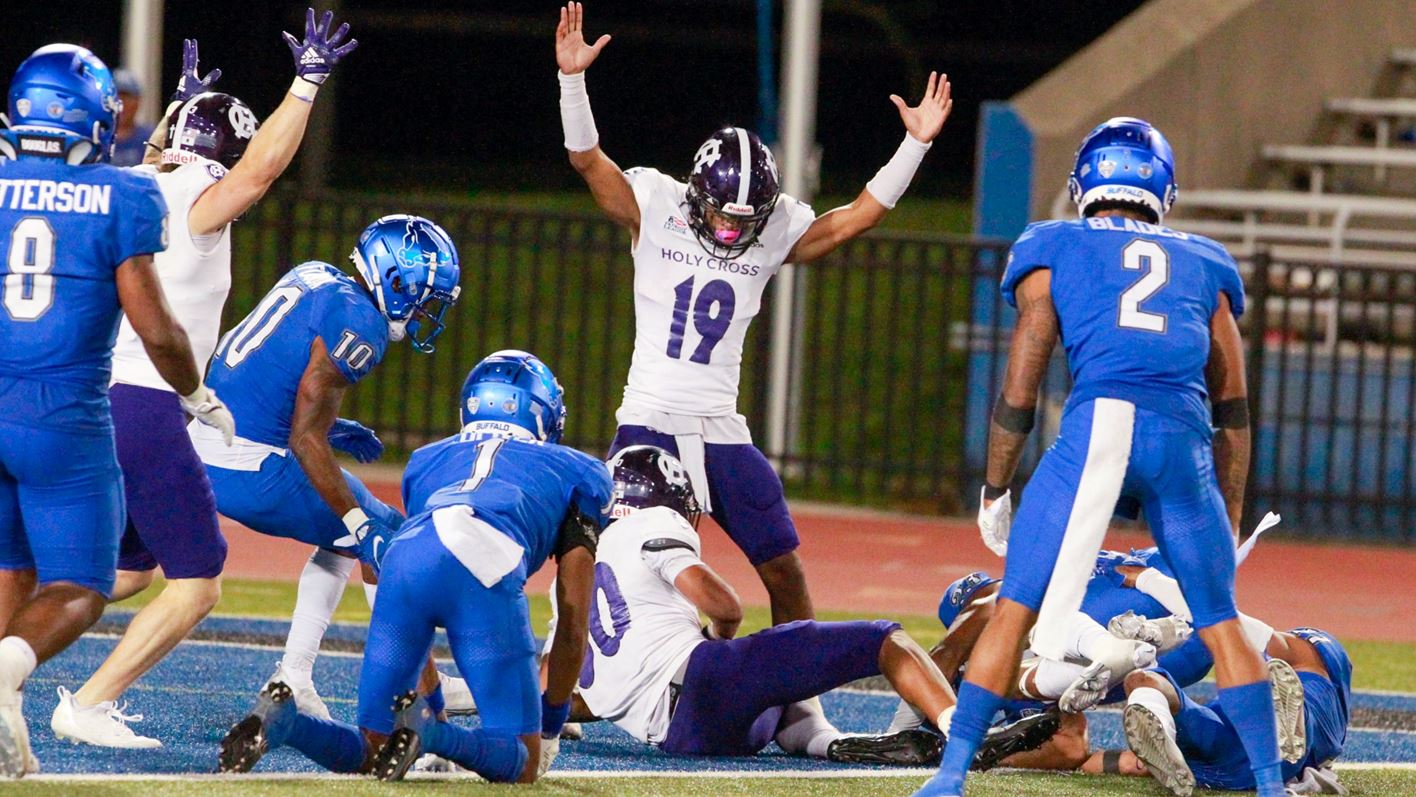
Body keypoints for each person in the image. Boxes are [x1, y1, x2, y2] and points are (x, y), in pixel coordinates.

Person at [915, 117, 1287, 797]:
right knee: (1220, 620)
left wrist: (996, 484)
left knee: (1015, 606)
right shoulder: (1205, 258)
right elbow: (1233, 405)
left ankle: (949, 775)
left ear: (1084, 182)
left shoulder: (1053, 242)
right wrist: (1227, 513)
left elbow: (1023, 374)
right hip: (1184, 435)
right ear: (1162, 190)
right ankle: (1268, 785)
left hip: (1101, 426)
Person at [554, 2, 952, 626]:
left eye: (749, 220)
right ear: (696, 194)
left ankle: (799, 700)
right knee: (617, 565)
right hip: (649, 424)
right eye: (725, 215)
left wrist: (913, 146)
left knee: (784, 569)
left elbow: (854, 218)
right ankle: (575, 684)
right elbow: (587, 160)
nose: (736, 230)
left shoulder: (773, 229)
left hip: (720, 430)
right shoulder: (655, 203)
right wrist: (571, 81)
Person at [51, 12, 358, 749]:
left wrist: (181, 115)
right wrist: (307, 83)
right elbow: (258, 168)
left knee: (121, 573)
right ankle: (88, 703)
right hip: (148, 403)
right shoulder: (199, 192)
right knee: (199, 583)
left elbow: (169, 159)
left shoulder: (124, 180)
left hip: (87, 397)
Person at [0, 44, 233, 777]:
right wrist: (195, 392)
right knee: (80, 584)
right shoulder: (118, 195)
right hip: (63, 414)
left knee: (13, 569)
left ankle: (5, 715)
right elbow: (158, 327)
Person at [219, 351, 611, 785]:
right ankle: (436, 734)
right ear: (542, 412)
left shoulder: (426, 460)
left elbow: (433, 549)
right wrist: (552, 723)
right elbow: (574, 613)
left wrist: (432, 704)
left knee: (375, 746)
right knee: (522, 761)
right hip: (483, 564)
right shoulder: (580, 471)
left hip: (403, 565)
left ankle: (287, 724)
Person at [559, 445, 1060, 768]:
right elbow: (724, 604)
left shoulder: (578, 568)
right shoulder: (652, 525)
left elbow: (575, 692)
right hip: (701, 686)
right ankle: (965, 734)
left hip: (681, 738)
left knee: (779, 680)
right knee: (883, 639)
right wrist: (719, 635)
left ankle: (836, 745)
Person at [191, 213, 460, 717]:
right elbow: (302, 437)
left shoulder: (315, 275)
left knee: (345, 528)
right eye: (426, 294)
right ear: (396, 281)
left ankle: (295, 675)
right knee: (386, 534)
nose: (428, 308)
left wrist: (332, 426)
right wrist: (360, 524)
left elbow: (264, 373)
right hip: (250, 464)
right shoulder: (361, 323)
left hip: (211, 435)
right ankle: (417, 700)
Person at [1120, 627, 1351, 796]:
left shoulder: (1314, 663)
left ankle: (1165, 730)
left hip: (1216, 759)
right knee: (1140, 679)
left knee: (1141, 681)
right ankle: (1165, 738)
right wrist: (1083, 757)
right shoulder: (1327, 715)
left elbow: (1275, 642)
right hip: (1256, 757)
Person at [108, 69, 152, 167]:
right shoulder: (95, 139)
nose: (121, 104)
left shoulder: (151, 138)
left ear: (138, 102)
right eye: (115, 97)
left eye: (126, 98)